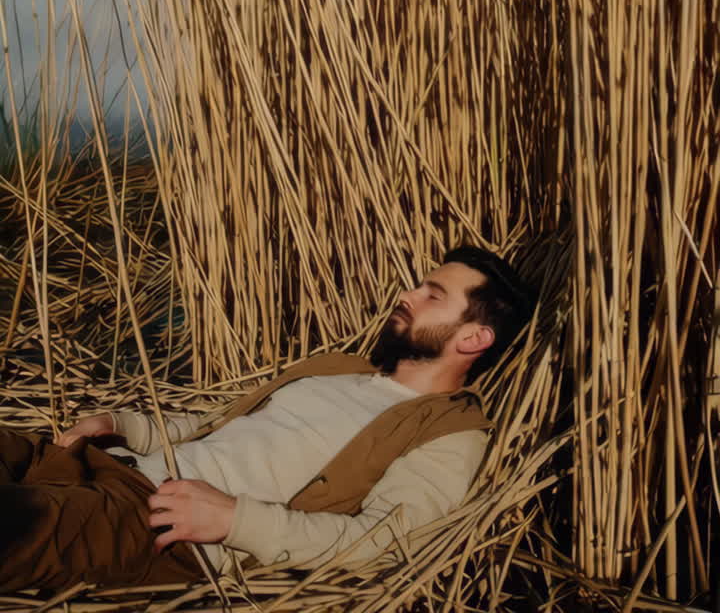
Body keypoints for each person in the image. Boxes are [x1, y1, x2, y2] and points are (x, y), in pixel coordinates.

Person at [0, 244, 534, 593]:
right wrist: (119, 423)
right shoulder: (340, 370)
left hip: (161, 527)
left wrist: (237, 520)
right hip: (109, 462)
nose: (406, 295)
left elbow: (384, 541)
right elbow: (218, 422)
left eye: (431, 295)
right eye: (418, 285)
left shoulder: (447, 432)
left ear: (473, 338)